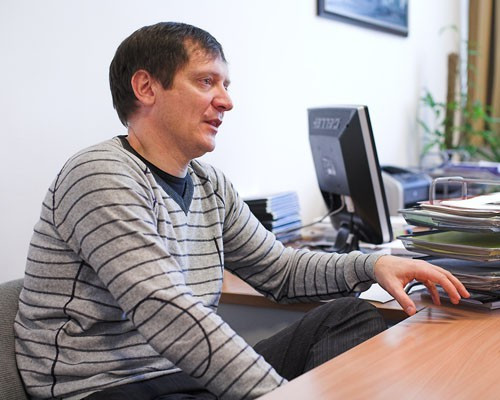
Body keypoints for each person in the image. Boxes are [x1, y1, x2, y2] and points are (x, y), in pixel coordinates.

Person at [15, 22, 469, 400]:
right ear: (146, 87)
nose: (226, 101)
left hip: (185, 376)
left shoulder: (209, 184)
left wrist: (372, 265)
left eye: (226, 85)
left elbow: (280, 271)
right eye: (206, 81)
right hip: (105, 387)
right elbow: (167, 312)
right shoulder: (100, 174)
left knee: (349, 316)